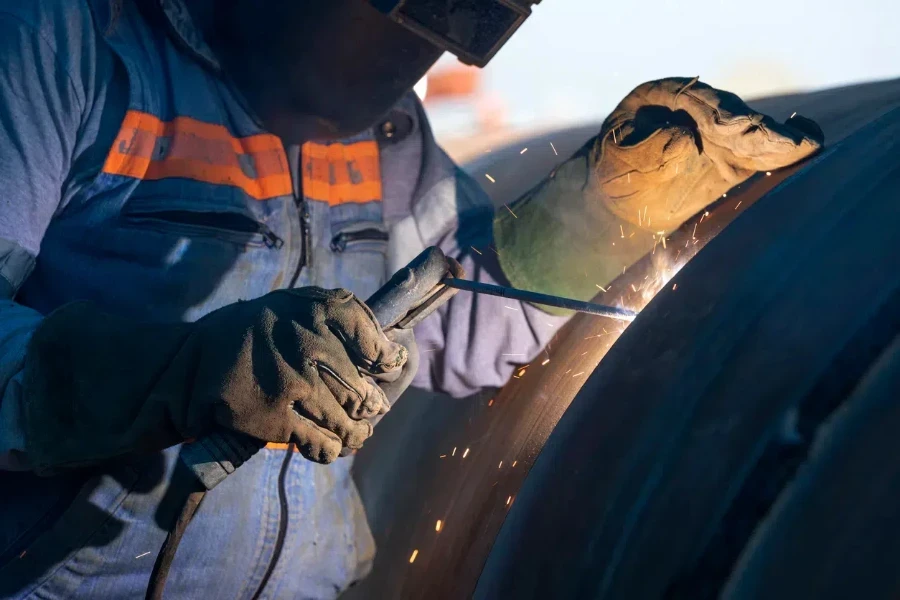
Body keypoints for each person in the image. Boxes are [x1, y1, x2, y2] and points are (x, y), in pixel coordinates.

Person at [0, 0, 820, 597]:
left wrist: (602, 212)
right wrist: (182, 373)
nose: (421, 57)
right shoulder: (70, 47)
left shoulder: (389, 132)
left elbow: (457, 321)